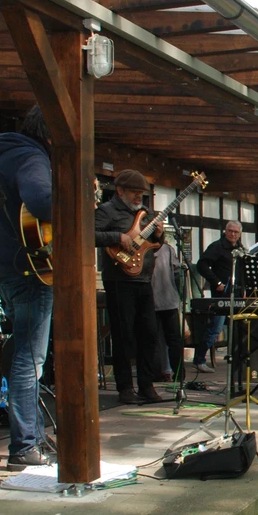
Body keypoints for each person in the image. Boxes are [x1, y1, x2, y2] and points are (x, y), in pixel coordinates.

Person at [0, 105, 54, 469]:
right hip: (32, 272)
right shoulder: (31, 156)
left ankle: (33, 437)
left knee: (23, 353)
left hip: (8, 269)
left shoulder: (0, 155)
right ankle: (25, 446)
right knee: (30, 358)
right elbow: (41, 200)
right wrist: (76, 202)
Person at [95, 169, 165, 406]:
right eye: (135, 193)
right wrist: (117, 236)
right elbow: (90, 234)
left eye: (141, 194)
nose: (139, 198)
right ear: (120, 191)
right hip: (119, 280)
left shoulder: (145, 214)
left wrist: (159, 234)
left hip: (144, 279)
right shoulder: (106, 211)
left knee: (149, 334)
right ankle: (125, 387)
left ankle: (146, 385)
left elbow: (154, 244)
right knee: (123, 335)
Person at [193, 221, 244, 374]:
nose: (233, 234)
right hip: (221, 295)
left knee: (239, 328)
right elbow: (201, 265)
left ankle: (237, 359)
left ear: (240, 233)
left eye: (236, 232)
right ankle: (199, 360)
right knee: (215, 329)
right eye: (230, 231)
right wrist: (216, 282)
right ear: (225, 231)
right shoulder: (217, 247)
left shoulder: (240, 250)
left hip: (237, 295)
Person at [151, 232, 186, 381]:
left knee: (155, 340)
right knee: (172, 340)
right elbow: (177, 272)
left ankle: (158, 374)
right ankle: (178, 374)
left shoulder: (166, 249)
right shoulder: (167, 249)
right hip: (166, 300)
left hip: (158, 300)